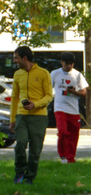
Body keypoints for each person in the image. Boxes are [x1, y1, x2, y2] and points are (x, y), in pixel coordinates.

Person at [9, 46, 53, 184]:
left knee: (35, 149)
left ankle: (30, 177)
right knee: (20, 143)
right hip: (21, 115)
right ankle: (19, 172)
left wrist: (36, 104)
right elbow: (15, 97)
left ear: (24, 58)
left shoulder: (43, 73)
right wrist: (12, 119)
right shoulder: (18, 74)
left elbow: (48, 96)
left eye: (16, 58)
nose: (14, 60)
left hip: (39, 116)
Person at [50, 52, 89, 164]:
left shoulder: (77, 75)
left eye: (71, 64)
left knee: (74, 134)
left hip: (73, 109)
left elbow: (84, 93)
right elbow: (48, 87)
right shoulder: (55, 74)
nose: (69, 66)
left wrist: (74, 92)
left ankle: (70, 158)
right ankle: (63, 156)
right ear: (61, 62)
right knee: (62, 131)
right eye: (67, 64)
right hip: (60, 108)